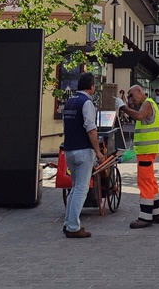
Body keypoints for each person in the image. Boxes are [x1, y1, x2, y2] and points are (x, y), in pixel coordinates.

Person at [62, 72, 106, 239]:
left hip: (69, 149)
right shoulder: (87, 103)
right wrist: (98, 151)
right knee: (81, 188)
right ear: (92, 86)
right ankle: (73, 227)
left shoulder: (70, 102)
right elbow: (91, 129)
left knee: (74, 188)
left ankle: (68, 223)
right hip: (83, 150)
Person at [119, 85, 159, 228]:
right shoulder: (150, 103)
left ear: (139, 91)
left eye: (131, 95)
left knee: (144, 182)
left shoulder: (147, 104)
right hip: (148, 150)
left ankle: (145, 217)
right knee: (151, 181)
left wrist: (123, 108)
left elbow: (138, 116)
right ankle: (157, 213)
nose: (131, 99)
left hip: (146, 151)